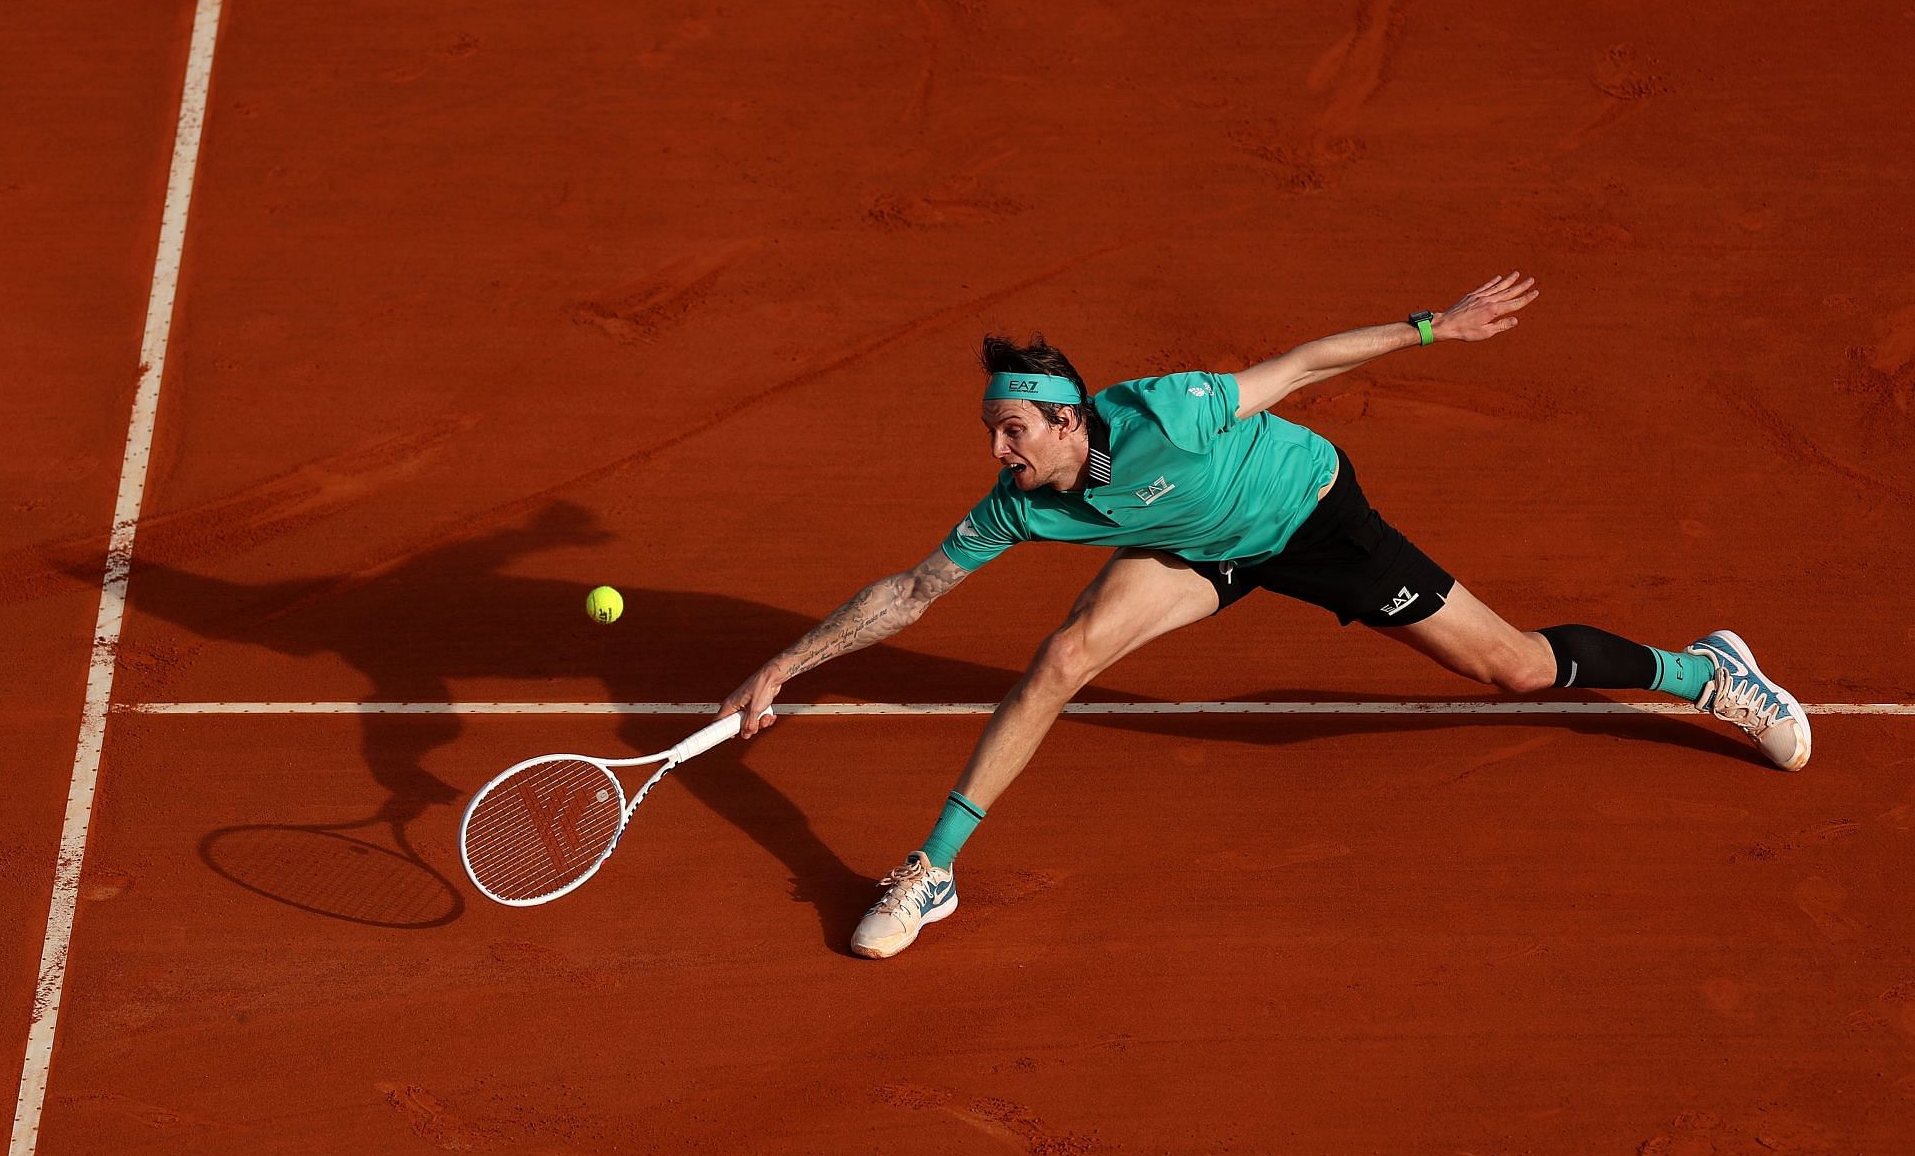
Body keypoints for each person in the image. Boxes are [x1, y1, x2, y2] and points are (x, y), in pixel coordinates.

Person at [718, 273, 1811, 959]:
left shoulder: (1168, 412)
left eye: (1010, 433)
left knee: (1515, 666)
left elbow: (1300, 366)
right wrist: (786, 664)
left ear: (1064, 420)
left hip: (1310, 517)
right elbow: (912, 590)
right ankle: (933, 871)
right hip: (1203, 551)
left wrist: (1438, 326)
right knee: (1062, 658)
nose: (995, 453)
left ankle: (1708, 674)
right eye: (993, 435)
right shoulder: (1020, 504)